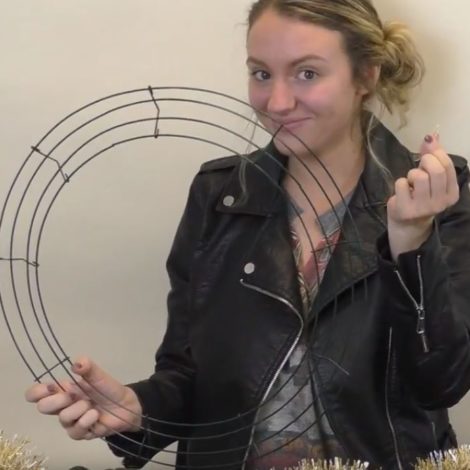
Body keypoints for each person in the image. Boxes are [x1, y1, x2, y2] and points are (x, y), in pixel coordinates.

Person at [25, 1, 470, 469]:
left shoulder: (440, 197)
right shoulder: (219, 196)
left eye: (307, 74)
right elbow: (189, 375)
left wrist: (411, 241)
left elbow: (440, 382)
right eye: (261, 74)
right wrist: (136, 410)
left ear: (366, 75)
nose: (276, 103)